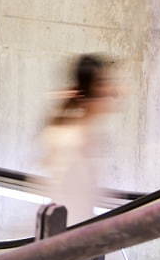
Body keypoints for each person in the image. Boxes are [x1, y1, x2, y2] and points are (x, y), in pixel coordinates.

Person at [40, 54, 116, 229]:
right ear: (90, 93)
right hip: (69, 234)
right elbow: (67, 197)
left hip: (77, 232)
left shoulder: (87, 134)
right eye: (104, 84)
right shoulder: (71, 138)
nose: (112, 92)